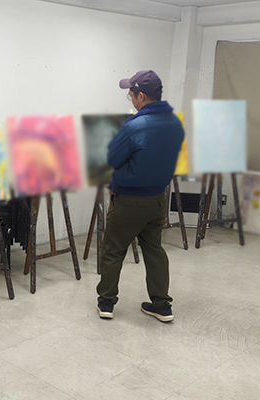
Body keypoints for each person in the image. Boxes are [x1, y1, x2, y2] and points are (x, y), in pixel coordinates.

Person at [96, 70, 185, 323]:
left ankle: (106, 302)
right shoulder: (174, 124)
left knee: (114, 250)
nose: (131, 100)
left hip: (128, 201)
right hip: (157, 200)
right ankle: (162, 305)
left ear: (141, 96)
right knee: (154, 250)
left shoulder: (134, 126)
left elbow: (113, 159)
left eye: (131, 95)